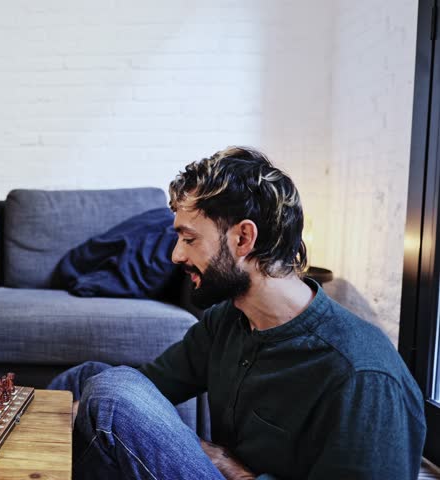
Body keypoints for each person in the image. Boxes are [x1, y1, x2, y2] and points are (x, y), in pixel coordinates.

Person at [49, 147, 426, 479]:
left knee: (112, 394)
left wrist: (230, 467)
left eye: (190, 239)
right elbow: (151, 384)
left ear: (243, 239)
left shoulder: (364, 377)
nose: (176, 256)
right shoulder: (227, 321)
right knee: (88, 378)